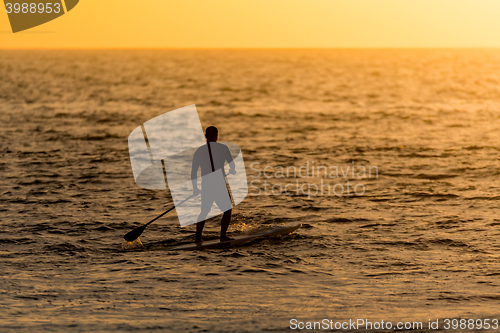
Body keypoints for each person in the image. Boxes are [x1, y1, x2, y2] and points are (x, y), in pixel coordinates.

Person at [191, 126, 236, 243]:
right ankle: (222, 236)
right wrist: (232, 170)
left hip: (206, 185)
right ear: (217, 135)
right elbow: (232, 165)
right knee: (227, 210)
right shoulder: (223, 148)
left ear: (205, 136)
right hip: (219, 184)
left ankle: (198, 237)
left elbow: (193, 172)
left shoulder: (199, 151)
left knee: (204, 211)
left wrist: (195, 188)